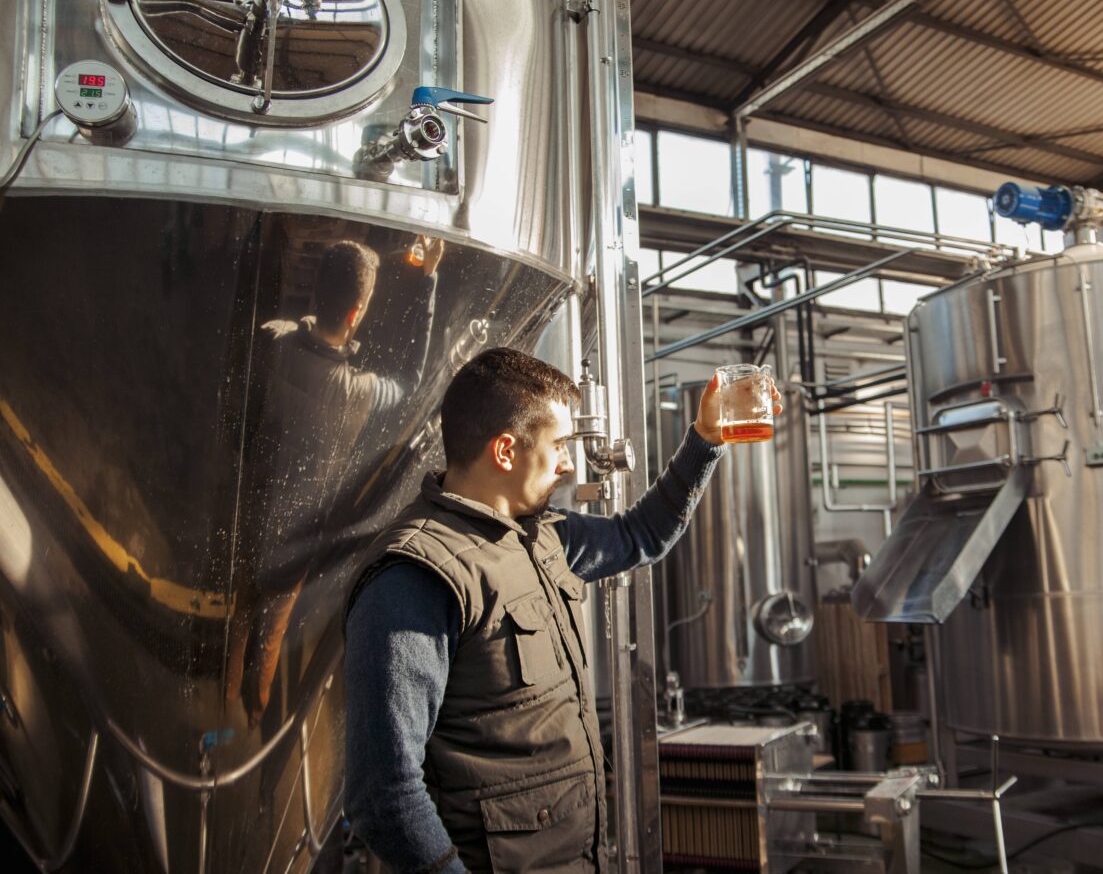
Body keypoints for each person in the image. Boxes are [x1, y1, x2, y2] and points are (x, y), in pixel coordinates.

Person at [342, 348, 780, 873]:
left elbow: (641, 535)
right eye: (558, 446)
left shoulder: (545, 537)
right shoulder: (416, 577)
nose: (569, 463)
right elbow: (383, 793)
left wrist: (705, 441)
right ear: (505, 451)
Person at [227, 237, 441, 726]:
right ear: (356, 314)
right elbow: (411, 377)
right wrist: (426, 279)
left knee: (240, 610)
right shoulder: (355, 392)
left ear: (315, 294)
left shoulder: (273, 341)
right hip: (298, 539)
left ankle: (224, 697)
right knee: (273, 628)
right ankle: (251, 719)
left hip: (249, 514)